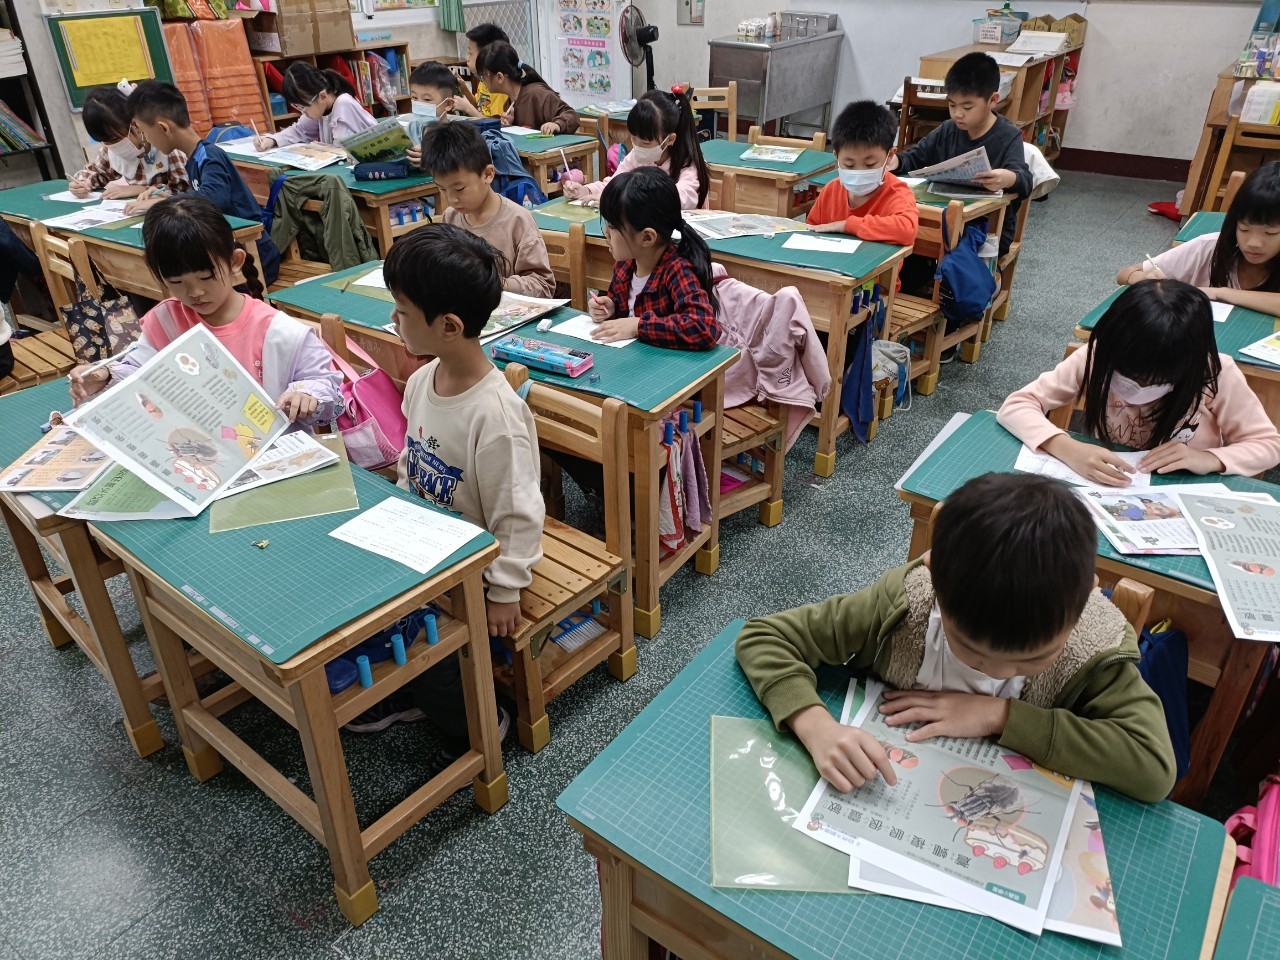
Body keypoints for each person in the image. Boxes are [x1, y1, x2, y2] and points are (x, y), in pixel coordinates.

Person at [735, 472, 1178, 803]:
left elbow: (1153, 767)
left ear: (1086, 598)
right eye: (972, 652)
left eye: (1032, 659)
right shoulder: (904, 607)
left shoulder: (1089, 650)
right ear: (934, 574)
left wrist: (1001, 716)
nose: (998, 672)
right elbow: (765, 637)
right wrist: (817, 727)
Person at [345, 224, 542, 749]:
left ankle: (477, 724)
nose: (393, 320)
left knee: (426, 643)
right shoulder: (422, 380)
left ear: (449, 325)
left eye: (402, 311)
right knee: (360, 604)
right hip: (427, 547)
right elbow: (412, 463)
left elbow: (518, 514)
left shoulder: (495, 416)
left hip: (477, 567)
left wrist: (505, 590)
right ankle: (410, 685)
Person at [68, 196, 340, 429]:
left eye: (206, 277)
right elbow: (139, 372)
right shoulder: (165, 321)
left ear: (235, 262)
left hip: (275, 455)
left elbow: (327, 389)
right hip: (193, 449)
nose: (195, 292)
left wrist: (306, 394)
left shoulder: (281, 332)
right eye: (177, 282)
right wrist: (104, 376)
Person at [998, 280, 1280, 484]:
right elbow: (1017, 405)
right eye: (1126, 375)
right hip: (1108, 478)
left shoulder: (1216, 373)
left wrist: (1209, 458)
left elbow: (1268, 445)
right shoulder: (1098, 356)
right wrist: (1066, 447)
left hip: (1182, 486)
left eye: (1156, 381)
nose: (1139, 389)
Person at [127, 80, 281, 286]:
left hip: (254, 260)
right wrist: (166, 194)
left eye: (144, 132)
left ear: (163, 128)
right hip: (229, 254)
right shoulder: (195, 157)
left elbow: (214, 198)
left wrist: (165, 202)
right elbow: (201, 195)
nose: (146, 139)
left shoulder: (209, 155)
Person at [891, 52, 1031, 256]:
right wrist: (895, 161)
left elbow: (1025, 180)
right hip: (945, 217)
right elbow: (915, 157)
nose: (957, 113)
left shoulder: (1008, 136)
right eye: (952, 105)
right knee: (906, 235)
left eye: (967, 107)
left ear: (992, 100)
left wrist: (1007, 178)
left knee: (947, 248)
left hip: (988, 229)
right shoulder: (948, 129)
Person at [1118, 162, 1280, 317]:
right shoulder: (1209, 247)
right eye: (1244, 229)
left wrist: (1219, 293)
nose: (1253, 243)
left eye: (1270, 233)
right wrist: (1144, 279)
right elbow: (1124, 274)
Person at [420, 121, 555, 297]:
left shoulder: (517, 220)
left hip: (507, 309)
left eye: (459, 189)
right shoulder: (450, 217)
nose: (451, 199)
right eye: (442, 189)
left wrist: (498, 284)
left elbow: (543, 286)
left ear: (488, 174)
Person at [589, 166, 719, 349]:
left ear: (647, 237)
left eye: (613, 226)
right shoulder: (625, 265)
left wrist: (638, 325)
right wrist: (610, 307)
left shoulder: (677, 270)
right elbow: (624, 306)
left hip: (671, 364)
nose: (605, 232)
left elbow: (703, 327)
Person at [563, 87, 711, 210]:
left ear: (670, 139)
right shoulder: (638, 156)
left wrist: (622, 200)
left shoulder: (689, 164)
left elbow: (676, 199)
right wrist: (585, 190)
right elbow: (615, 184)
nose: (637, 146)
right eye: (633, 138)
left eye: (646, 143)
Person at [806, 100, 918, 246]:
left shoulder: (896, 193)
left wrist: (847, 225)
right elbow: (810, 230)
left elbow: (906, 231)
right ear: (837, 157)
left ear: (890, 156)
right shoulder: (831, 190)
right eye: (849, 165)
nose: (859, 172)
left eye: (870, 164)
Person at [68, 86, 189, 205]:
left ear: (134, 124)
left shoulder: (164, 144)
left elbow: (184, 192)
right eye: (106, 141)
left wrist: (141, 189)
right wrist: (82, 184)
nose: (114, 146)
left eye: (116, 139)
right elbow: (97, 172)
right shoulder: (110, 149)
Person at [253, 62, 376, 151]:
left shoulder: (343, 104)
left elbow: (341, 149)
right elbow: (299, 130)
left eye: (303, 107)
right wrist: (273, 140)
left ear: (322, 96)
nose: (303, 112)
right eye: (298, 107)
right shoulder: (321, 108)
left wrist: (316, 149)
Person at [475, 42, 579, 135]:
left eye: (484, 75)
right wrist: (510, 125)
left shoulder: (537, 94)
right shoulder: (509, 103)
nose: (482, 80)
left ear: (499, 77)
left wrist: (557, 124)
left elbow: (572, 115)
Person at [405, 61, 461, 167]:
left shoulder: (456, 136)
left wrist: (431, 159)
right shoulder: (412, 128)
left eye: (427, 99)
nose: (419, 104)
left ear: (448, 104)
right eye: (414, 98)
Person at [453, 23, 511, 120]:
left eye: (470, 53)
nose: (467, 58)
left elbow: (495, 123)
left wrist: (467, 109)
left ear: (487, 54)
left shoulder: (499, 88)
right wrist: (463, 87)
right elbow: (479, 106)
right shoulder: (485, 79)